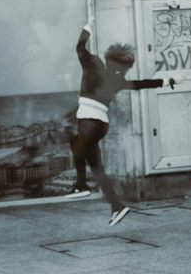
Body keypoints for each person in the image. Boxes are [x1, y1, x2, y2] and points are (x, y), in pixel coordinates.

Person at [69, 17, 171, 226]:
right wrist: (165, 81)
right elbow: (141, 83)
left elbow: (79, 46)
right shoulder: (119, 80)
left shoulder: (93, 64)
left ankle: (82, 186)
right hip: (100, 125)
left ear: (107, 59)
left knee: (79, 147)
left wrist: (88, 26)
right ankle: (116, 206)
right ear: (125, 66)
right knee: (91, 160)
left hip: (88, 120)